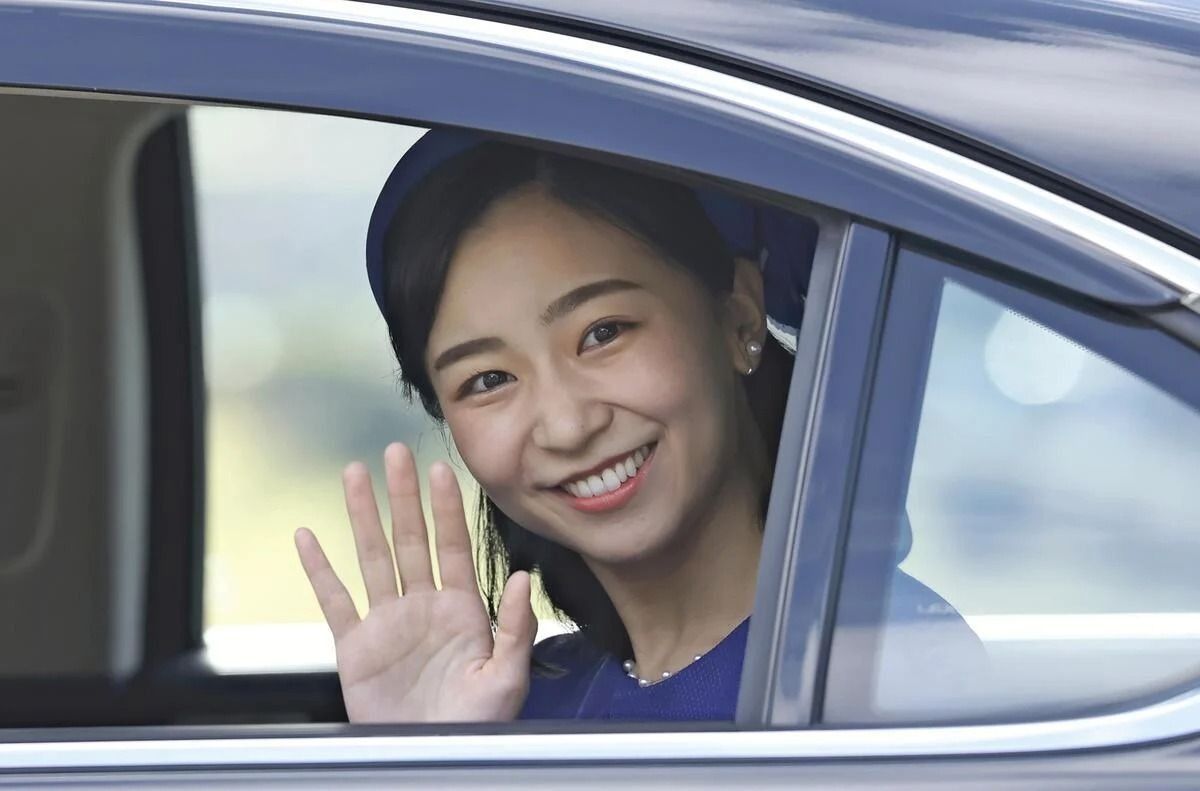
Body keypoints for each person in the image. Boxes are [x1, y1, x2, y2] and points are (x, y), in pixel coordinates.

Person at [294, 129, 979, 723]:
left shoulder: (877, 669)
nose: (566, 425)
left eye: (603, 332)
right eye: (489, 379)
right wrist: (425, 760)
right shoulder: (515, 700)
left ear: (739, 316)